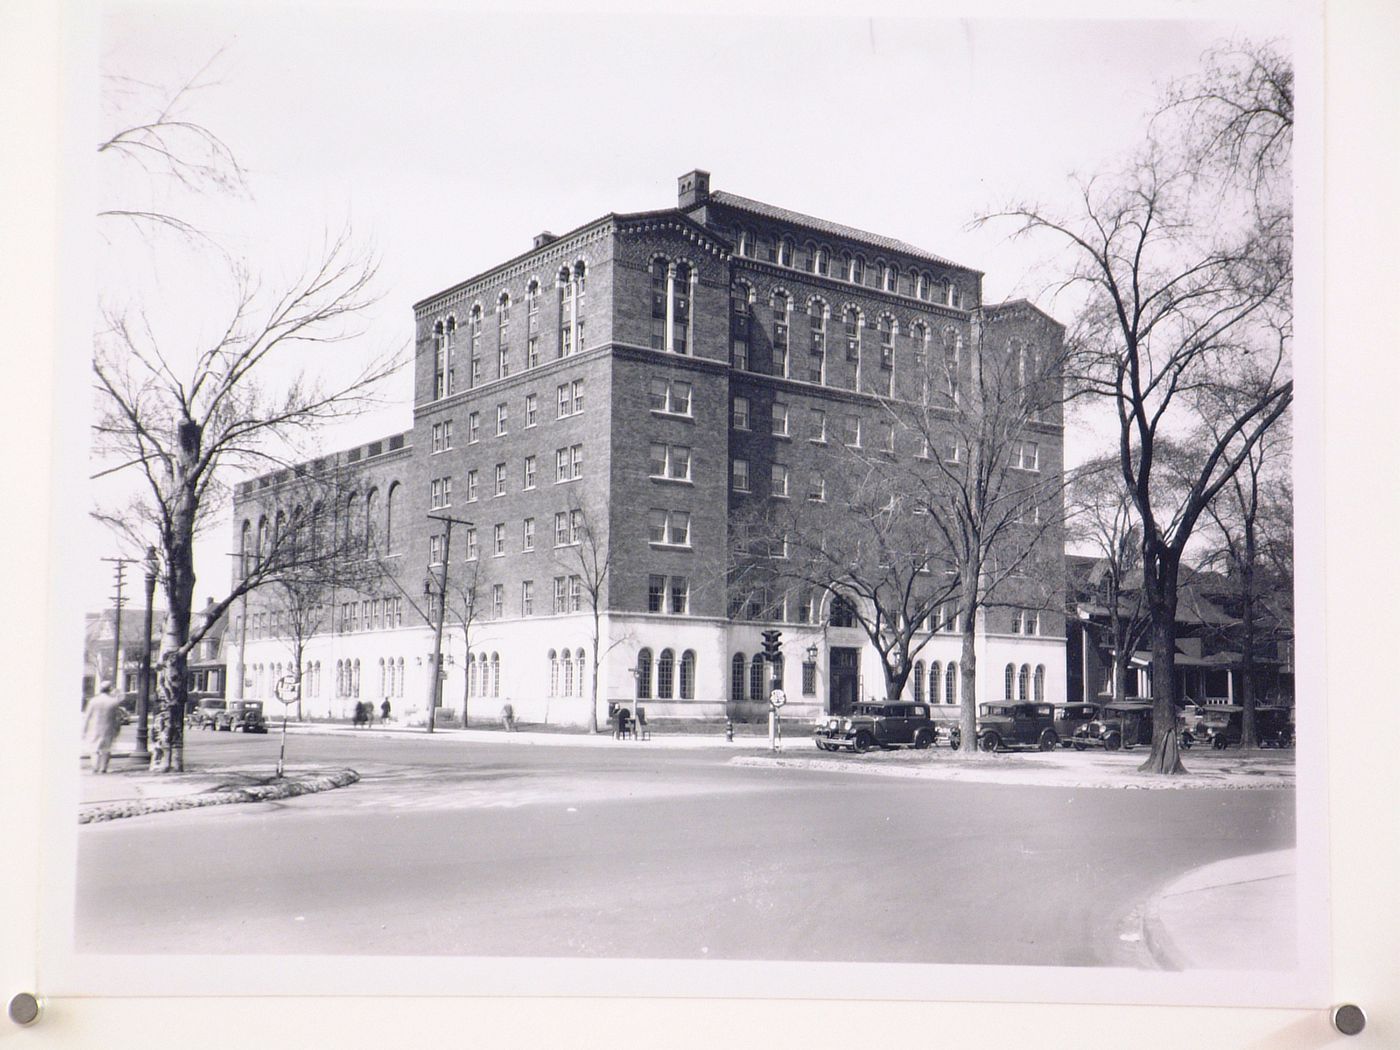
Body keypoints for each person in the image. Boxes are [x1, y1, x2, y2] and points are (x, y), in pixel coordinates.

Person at [83, 683, 123, 774]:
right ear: (109, 690)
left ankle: (95, 767)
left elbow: (87, 716)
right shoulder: (113, 702)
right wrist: (117, 729)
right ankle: (103, 768)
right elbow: (117, 718)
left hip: (94, 727)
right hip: (108, 727)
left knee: (94, 748)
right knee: (106, 749)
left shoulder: (93, 701)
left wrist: (84, 730)